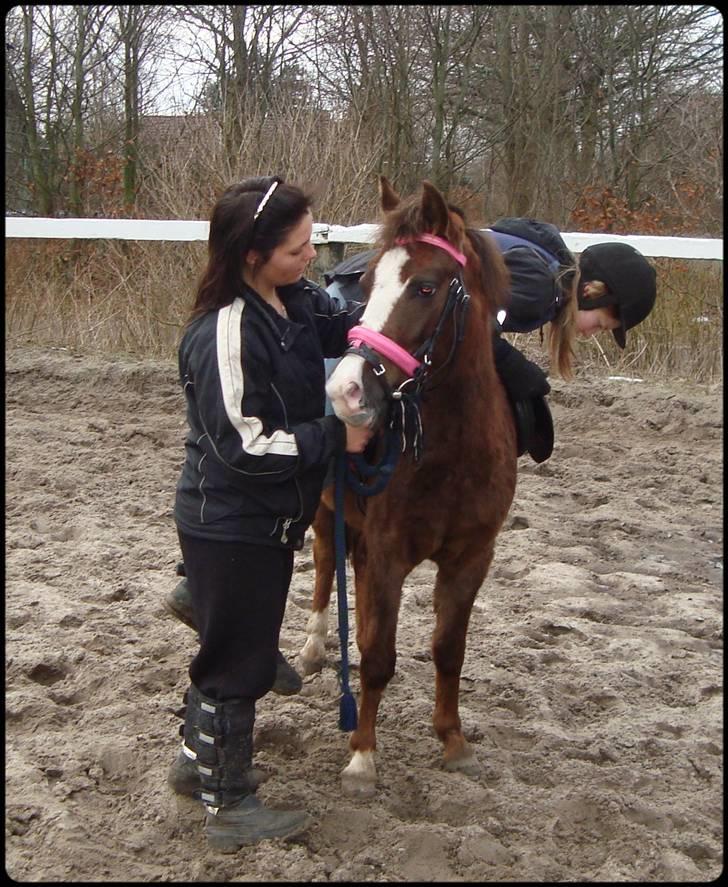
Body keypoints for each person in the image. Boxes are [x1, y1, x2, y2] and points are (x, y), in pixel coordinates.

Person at [169, 175, 371, 852]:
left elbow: (341, 321)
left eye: (311, 241)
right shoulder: (226, 330)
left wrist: (389, 309)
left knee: (233, 645)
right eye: (297, 248)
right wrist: (334, 434)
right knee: (235, 666)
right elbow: (243, 446)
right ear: (252, 254)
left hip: (265, 520)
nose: (311, 255)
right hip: (230, 520)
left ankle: (195, 763)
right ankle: (230, 806)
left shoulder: (292, 299)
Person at [321, 216, 657, 461]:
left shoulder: (543, 268)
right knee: (331, 408)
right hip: (365, 302)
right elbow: (468, 322)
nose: (591, 333)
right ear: (592, 291)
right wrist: (517, 368)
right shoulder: (541, 287)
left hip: (380, 296)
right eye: (600, 324)